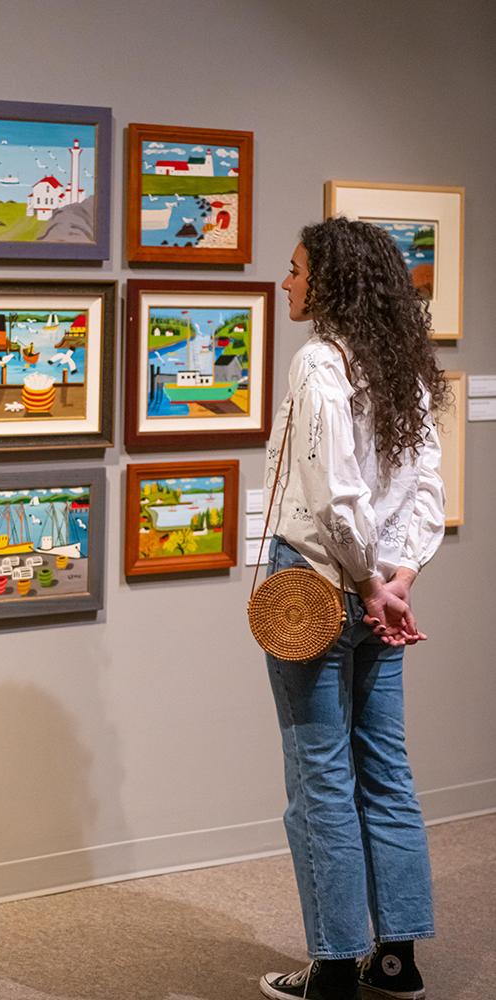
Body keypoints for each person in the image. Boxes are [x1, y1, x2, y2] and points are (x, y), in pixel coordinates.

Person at [258, 217, 448, 1000]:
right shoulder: (403, 363)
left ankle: (334, 966)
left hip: (314, 583)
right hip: (379, 593)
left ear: (330, 281)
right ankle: (396, 960)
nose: (286, 280)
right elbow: (425, 489)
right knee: (387, 770)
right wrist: (399, 579)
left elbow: (335, 497)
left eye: (298, 269)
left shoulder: (316, 364)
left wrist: (369, 583)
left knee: (320, 775)